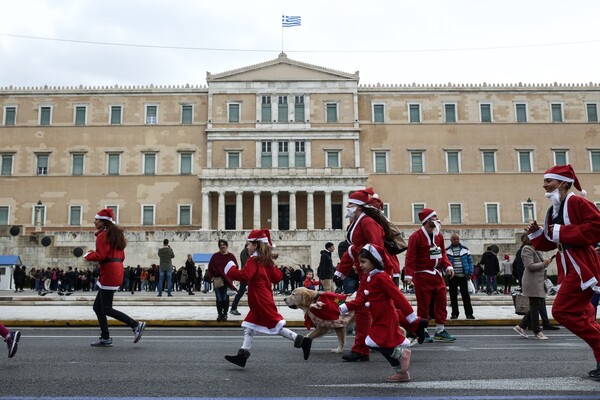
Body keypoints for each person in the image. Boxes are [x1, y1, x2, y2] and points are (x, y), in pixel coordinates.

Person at [334, 188, 426, 361]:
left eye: (350, 204)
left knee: (375, 307)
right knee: (371, 308)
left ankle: (363, 349)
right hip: (366, 270)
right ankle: (413, 323)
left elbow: (375, 247)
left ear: (359, 206)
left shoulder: (367, 222)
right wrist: (342, 271)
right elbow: (353, 250)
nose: (347, 207)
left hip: (375, 270)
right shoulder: (357, 222)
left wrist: (372, 269)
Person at [527, 164, 600, 380]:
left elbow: (597, 226)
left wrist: (561, 231)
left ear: (564, 183)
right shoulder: (554, 209)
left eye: (549, 181)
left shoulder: (577, 201)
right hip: (568, 266)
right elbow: (550, 241)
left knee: (562, 312)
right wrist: (536, 233)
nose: (544, 185)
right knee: (584, 315)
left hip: (581, 265)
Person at [223, 229, 312, 367]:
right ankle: (242, 355)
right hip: (263, 298)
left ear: (256, 245)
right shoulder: (265, 261)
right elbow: (277, 277)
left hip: (260, 300)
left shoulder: (254, 261)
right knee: (249, 327)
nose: (247, 247)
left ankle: (301, 341)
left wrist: (229, 269)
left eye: (249, 244)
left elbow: (243, 276)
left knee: (275, 326)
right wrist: (271, 266)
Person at [340, 244, 412, 382]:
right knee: (379, 344)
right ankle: (402, 373)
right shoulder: (370, 277)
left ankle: (402, 354)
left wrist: (411, 316)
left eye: (363, 262)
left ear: (373, 261)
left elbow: (398, 296)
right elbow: (362, 299)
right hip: (379, 317)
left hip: (386, 317)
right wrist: (343, 307)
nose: (359, 265)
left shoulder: (381, 277)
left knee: (375, 343)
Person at [84, 208, 146, 347]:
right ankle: (105, 337)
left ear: (103, 222)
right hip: (116, 269)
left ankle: (135, 325)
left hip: (109, 272)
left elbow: (101, 256)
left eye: (97, 220)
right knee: (97, 307)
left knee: (106, 308)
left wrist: (88, 255)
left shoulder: (102, 236)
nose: (94, 222)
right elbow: (121, 256)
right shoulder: (115, 235)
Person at [405, 208, 456, 342]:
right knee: (423, 304)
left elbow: (443, 253)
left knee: (442, 301)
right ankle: (424, 330)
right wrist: (409, 275)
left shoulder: (438, 235)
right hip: (422, 275)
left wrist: (448, 266)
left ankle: (440, 329)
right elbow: (410, 257)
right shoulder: (415, 237)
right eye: (434, 218)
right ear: (427, 220)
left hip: (437, 274)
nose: (437, 220)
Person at [513, 236, 552, 340]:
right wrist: (544, 263)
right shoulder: (527, 249)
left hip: (538, 282)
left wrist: (546, 263)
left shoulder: (535, 249)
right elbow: (529, 266)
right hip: (532, 282)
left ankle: (521, 326)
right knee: (535, 306)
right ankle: (537, 331)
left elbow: (538, 265)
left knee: (536, 306)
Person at [445, 233, 475, 320]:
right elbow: (444, 263)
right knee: (453, 295)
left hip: (463, 276)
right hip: (452, 276)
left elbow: (470, 262)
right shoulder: (447, 251)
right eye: (454, 239)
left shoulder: (465, 250)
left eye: (457, 239)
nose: (456, 240)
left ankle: (469, 314)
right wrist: (446, 272)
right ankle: (454, 313)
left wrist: (470, 273)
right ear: (451, 240)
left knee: (466, 296)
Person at [208, 239, 238, 322]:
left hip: (227, 280)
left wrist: (232, 276)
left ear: (226, 246)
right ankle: (219, 314)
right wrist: (212, 277)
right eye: (220, 245)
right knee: (219, 298)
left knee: (225, 298)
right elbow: (210, 267)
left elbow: (236, 267)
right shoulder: (215, 256)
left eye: (224, 245)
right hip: (218, 280)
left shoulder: (231, 256)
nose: (222, 246)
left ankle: (225, 314)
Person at [230, 245, 250, 316]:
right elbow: (246, 264)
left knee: (243, 293)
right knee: (241, 293)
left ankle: (233, 308)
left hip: (248, 276)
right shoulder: (244, 252)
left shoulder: (247, 252)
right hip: (246, 276)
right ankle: (233, 308)